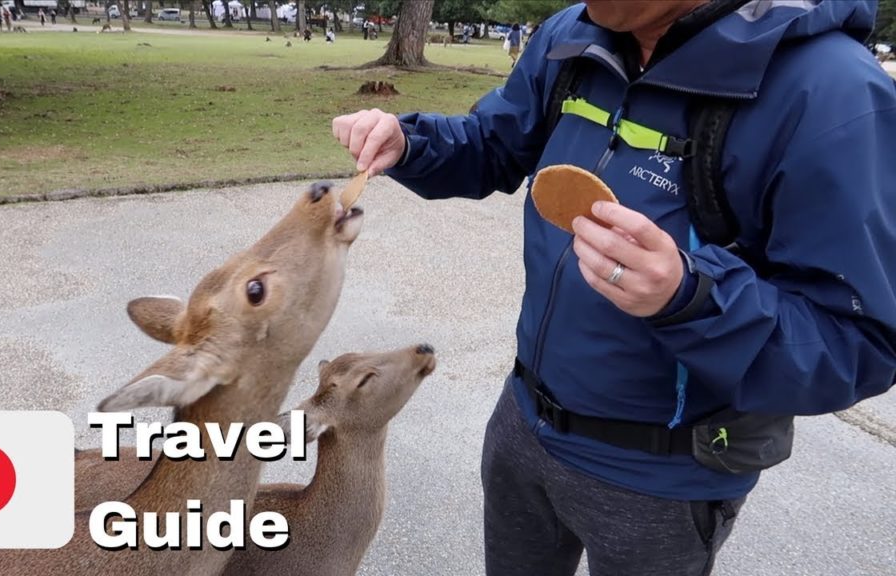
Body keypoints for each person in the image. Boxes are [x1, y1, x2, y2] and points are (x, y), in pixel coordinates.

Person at [331, 1, 896, 575]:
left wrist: (690, 296)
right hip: (523, 424)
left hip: (662, 480)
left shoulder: (833, 91)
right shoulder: (573, 35)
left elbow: (857, 340)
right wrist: (411, 143)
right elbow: (495, 143)